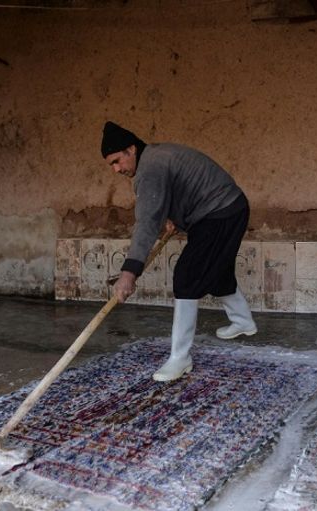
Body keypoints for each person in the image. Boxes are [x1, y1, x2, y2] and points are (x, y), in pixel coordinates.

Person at [101, 121, 257, 382]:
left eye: (117, 161)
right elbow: (177, 191)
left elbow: (147, 222)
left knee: (186, 276)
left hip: (221, 211)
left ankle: (180, 357)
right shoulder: (155, 156)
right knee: (216, 269)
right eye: (112, 165)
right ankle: (243, 321)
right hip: (227, 208)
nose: (117, 169)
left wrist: (129, 273)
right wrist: (176, 216)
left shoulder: (150, 168)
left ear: (131, 149)